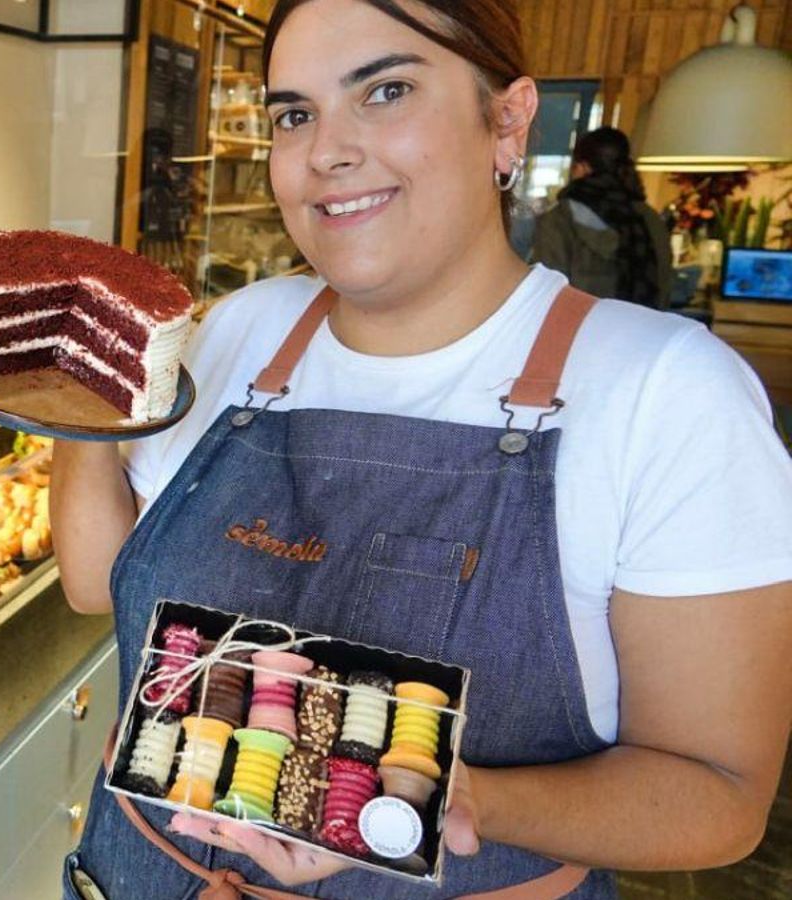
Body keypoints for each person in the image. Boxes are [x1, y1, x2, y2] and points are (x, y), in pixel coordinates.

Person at [51, 1, 792, 898]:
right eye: (295, 114)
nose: (327, 150)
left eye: (387, 90)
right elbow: (99, 584)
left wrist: (455, 795)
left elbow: (718, 798)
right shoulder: (243, 330)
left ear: (508, 121)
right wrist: (75, 401)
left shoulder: (666, 392)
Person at [532, 127, 674, 307]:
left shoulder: (560, 219)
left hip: (582, 331)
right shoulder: (651, 220)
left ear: (582, 168)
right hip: (649, 330)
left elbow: (547, 294)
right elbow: (666, 286)